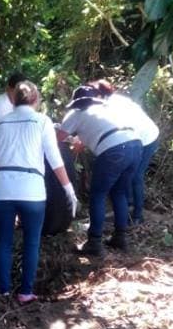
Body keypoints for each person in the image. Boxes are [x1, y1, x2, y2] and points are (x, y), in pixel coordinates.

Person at [0, 81, 77, 303]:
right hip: (32, 190)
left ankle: (4, 291)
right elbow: (54, 158)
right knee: (32, 242)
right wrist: (68, 189)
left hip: (3, 188)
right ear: (36, 100)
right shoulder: (42, 121)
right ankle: (25, 292)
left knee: (4, 241)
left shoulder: (3, 121)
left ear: (14, 99)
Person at [58, 85, 142, 257]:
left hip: (114, 150)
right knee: (119, 193)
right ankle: (120, 237)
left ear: (76, 102)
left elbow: (57, 138)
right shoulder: (106, 109)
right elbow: (97, 134)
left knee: (98, 194)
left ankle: (94, 242)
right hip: (135, 145)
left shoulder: (76, 113)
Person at [91, 79, 160, 224]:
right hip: (134, 138)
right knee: (126, 174)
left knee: (136, 176)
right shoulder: (111, 102)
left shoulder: (112, 106)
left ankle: (137, 215)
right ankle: (126, 209)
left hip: (147, 138)